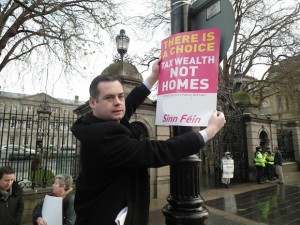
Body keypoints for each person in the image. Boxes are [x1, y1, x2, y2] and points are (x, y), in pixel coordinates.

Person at [71, 59, 226, 225]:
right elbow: (158, 151)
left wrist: (152, 78)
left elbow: (128, 105)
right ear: (93, 102)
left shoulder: (97, 124)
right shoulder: (104, 138)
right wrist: (209, 131)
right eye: (109, 97)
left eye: (120, 96)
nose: (117, 102)